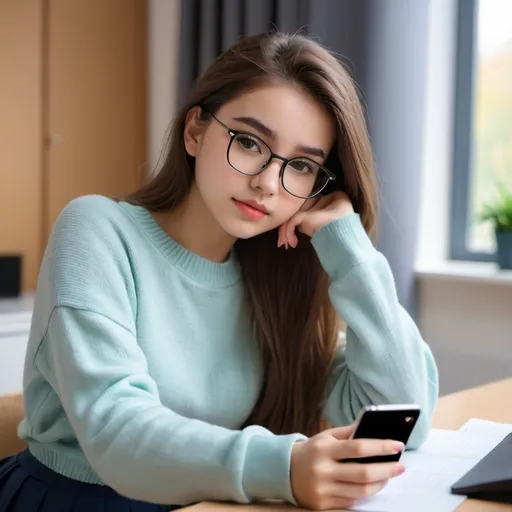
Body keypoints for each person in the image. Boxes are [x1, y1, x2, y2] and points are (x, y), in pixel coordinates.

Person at [0, 31, 439, 512]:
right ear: (194, 131)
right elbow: (115, 432)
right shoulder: (97, 231)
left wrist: (350, 250)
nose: (268, 183)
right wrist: (284, 466)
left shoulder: (278, 285)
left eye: (301, 167)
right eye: (250, 142)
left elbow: (404, 421)